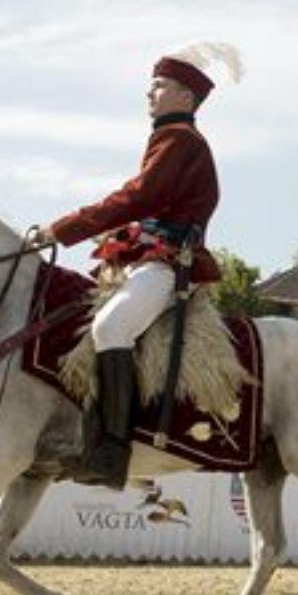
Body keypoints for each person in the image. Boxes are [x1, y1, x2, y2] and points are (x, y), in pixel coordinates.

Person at [31, 43, 240, 489]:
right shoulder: (171, 137)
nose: (149, 93)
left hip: (166, 266)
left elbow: (137, 198)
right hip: (144, 261)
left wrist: (62, 228)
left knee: (110, 329)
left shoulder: (182, 140)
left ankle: (111, 451)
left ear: (186, 96)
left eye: (159, 85)